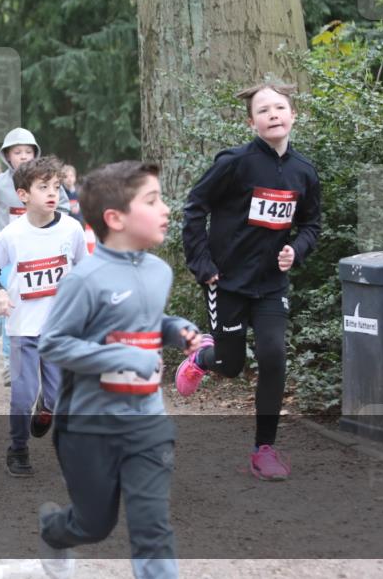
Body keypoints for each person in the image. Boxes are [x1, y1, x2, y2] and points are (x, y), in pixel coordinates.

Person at [37, 161, 201, 579]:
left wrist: (176, 329)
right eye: (152, 200)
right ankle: (55, 532)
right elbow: (53, 343)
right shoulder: (85, 279)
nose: (166, 208)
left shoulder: (159, 271)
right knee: (93, 524)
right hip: (89, 424)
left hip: (147, 421)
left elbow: (146, 323)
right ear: (115, 218)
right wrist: (122, 358)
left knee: (152, 527)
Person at [176, 82, 321, 481]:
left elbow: (311, 223)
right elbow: (194, 207)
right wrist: (202, 263)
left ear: (294, 115)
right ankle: (203, 358)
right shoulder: (235, 163)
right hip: (226, 282)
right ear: (251, 121)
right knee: (230, 363)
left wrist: (298, 249)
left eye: (280, 107)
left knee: (274, 356)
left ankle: (264, 449)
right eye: (264, 110)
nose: (273, 114)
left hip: (271, 284)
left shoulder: (303, 171)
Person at [0, 156, 87, 477]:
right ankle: (18, 448)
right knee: (21, 396)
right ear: (23, 194)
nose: (52, 193)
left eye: (56, 186)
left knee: (56, 399)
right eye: (43, 187)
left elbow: (84, 271)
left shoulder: (72, 229)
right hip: (23, 327)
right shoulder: (12, 235)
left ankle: (46, 410)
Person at [0, 127, 71, 386]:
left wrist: (57, 234)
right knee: (14, 306)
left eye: (28, 151)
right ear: (7, 155)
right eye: (18, 152)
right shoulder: (0, 185)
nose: (24, 156)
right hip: (8, 254)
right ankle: (10, 367)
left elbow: (64, 208)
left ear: (35, 153)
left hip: (39, 253)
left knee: (23, 308)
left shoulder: (45, 181)